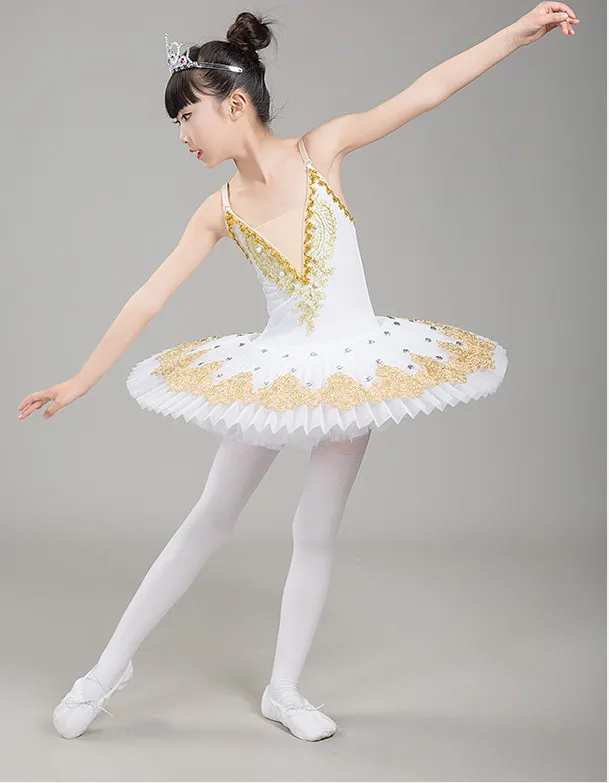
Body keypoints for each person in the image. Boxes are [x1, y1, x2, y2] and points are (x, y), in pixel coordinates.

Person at [17, 4, 578, 743]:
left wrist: (516, 32)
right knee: (209, 518)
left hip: (355, 370)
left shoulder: (323, 150)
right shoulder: (219, 208)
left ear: (234, 104)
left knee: (315, 526)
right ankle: (104, 672)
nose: (182, 135)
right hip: (276, 375)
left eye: (187, 116)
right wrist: (81, 380)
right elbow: (148, 296)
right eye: (177, 122)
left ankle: (284, 689)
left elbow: (425, 91)